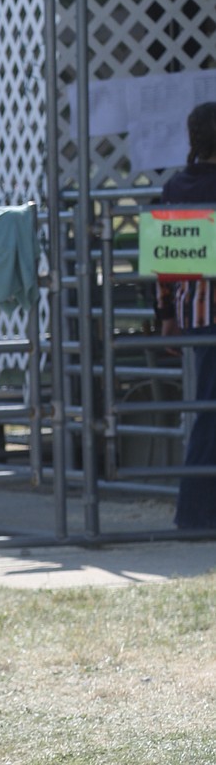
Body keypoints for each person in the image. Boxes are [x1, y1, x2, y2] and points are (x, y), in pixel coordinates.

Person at [157, 101, 216, 532]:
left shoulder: (176, 186)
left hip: (193, 310)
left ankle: (195, 511)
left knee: (208, 410)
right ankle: (194, 513)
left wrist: (166, 315)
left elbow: (164, 262)